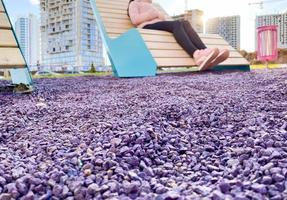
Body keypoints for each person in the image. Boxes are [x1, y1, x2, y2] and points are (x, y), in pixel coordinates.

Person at [127, 0, 230, 71]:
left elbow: (161, 18)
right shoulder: (134, 3)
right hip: (146, 26)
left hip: (158, 25)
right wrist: (153, 14)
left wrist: (157, 14)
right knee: (177, 24)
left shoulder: (151, 5)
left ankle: (204, 51)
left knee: (184, 22)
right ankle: (196, 54)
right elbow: (135, 20)